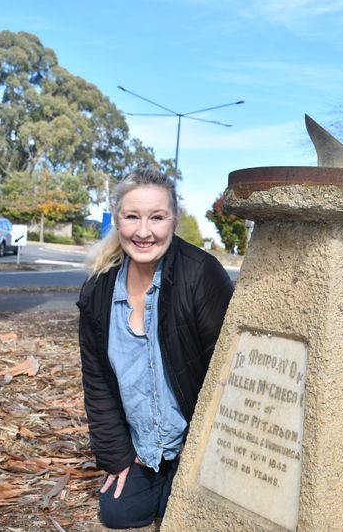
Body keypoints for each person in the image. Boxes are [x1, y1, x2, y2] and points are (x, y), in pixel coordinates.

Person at [77, 168, 233, 529]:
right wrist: (117, 455)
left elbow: (228, 371)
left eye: (157, 217)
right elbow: (96, 381)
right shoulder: (98, 288)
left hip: (194, 441)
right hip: (140, 445)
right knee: (119, 513)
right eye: (132, 217)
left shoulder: (200, 274)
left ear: (173, 220)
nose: (144, 231)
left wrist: (201, 446)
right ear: (117, 218)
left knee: (186, 515)